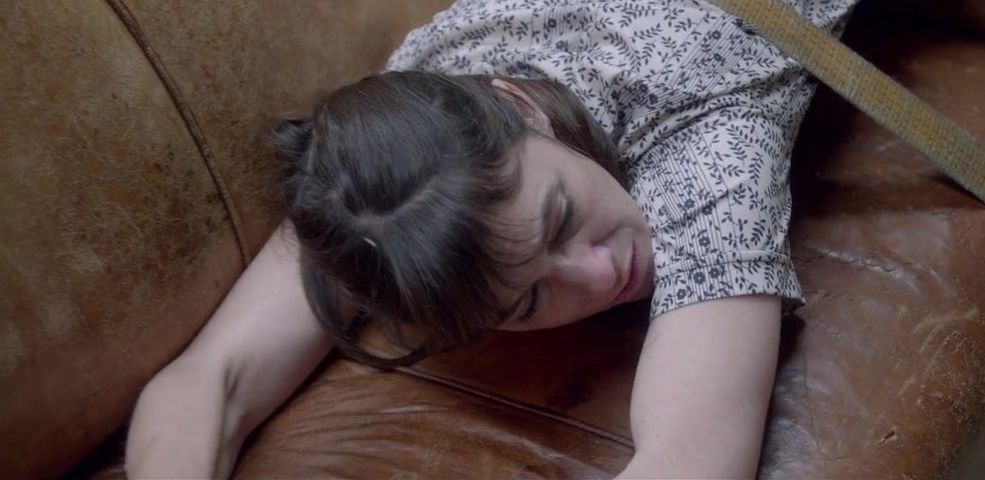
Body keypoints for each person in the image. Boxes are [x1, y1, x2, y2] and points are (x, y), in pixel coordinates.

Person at [125, 0, 855, 477]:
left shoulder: (711, 154)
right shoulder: (401, 158)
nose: (601, 275)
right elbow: (211, 380)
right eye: (530, 300)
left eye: (563, 216)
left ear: (519, 107)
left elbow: (692, 456)